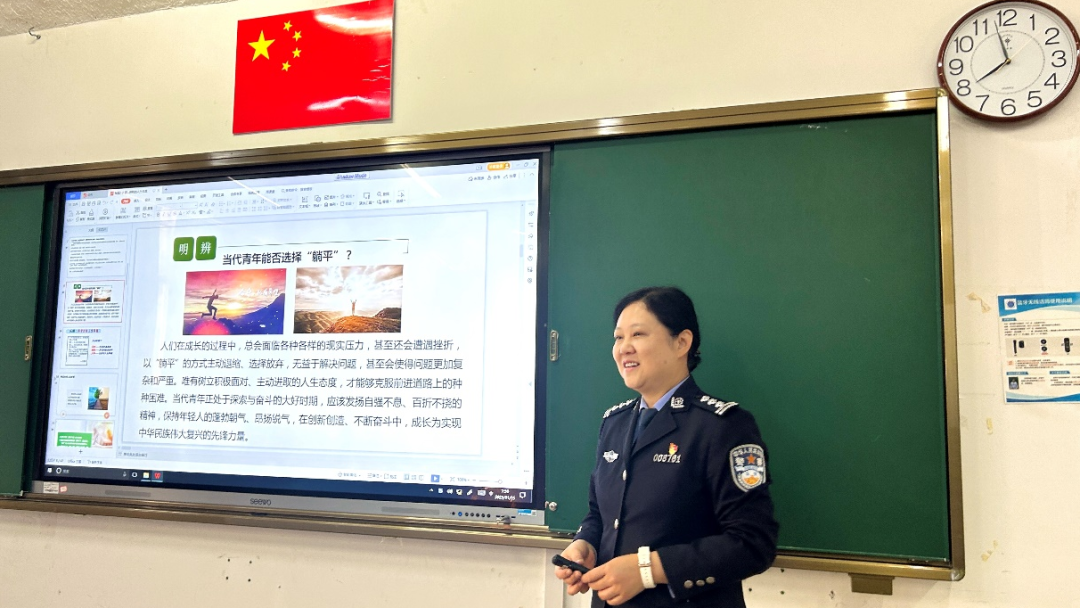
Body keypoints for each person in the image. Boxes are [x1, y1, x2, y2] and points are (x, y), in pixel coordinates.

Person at [554, 286, 778, 607]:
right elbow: (600, 514)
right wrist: (585, 544)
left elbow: (753, 542)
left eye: (638, 334)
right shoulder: (614, 423)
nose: (624, 348)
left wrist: (648, 571)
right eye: (618, 337)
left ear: (681, 343)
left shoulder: (722, 427)